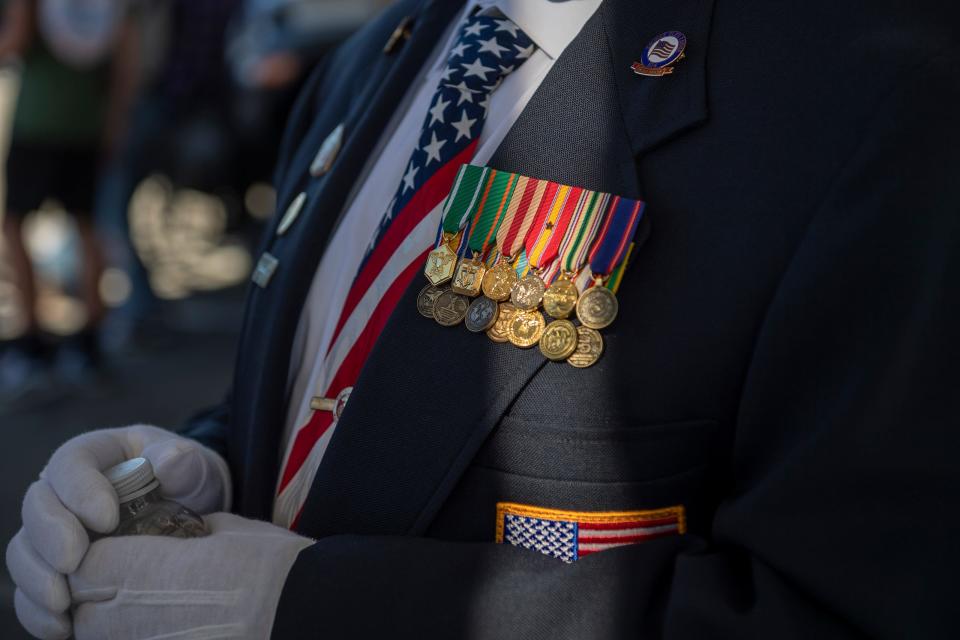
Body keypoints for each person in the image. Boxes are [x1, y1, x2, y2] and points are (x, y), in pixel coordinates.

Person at [6, 0, 960, 638]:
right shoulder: (371, 57)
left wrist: (312, 610)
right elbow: (342, 399)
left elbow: (847, 608)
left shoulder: (875, 90)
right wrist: (195, 467)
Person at [0, 0, 138, 383]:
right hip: (89, 120)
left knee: (14, 225)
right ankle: (88, 339)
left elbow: (16, 37)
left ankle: (29, 339)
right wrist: (116, 119)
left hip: (37, 120)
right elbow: (127, 53)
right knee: (86, 225)